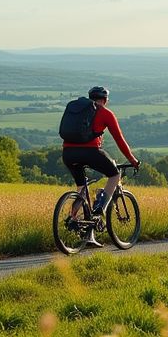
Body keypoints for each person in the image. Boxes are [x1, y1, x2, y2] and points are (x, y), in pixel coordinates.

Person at [60, 85, 140, 247]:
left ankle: (77, 223)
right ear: (105, 100)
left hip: (68, 153)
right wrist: (132, 160)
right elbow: (119, 140)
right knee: (114, 174)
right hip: (90, 152)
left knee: (81, 189)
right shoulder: (105, 113)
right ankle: (100, 208)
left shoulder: (78, 111)